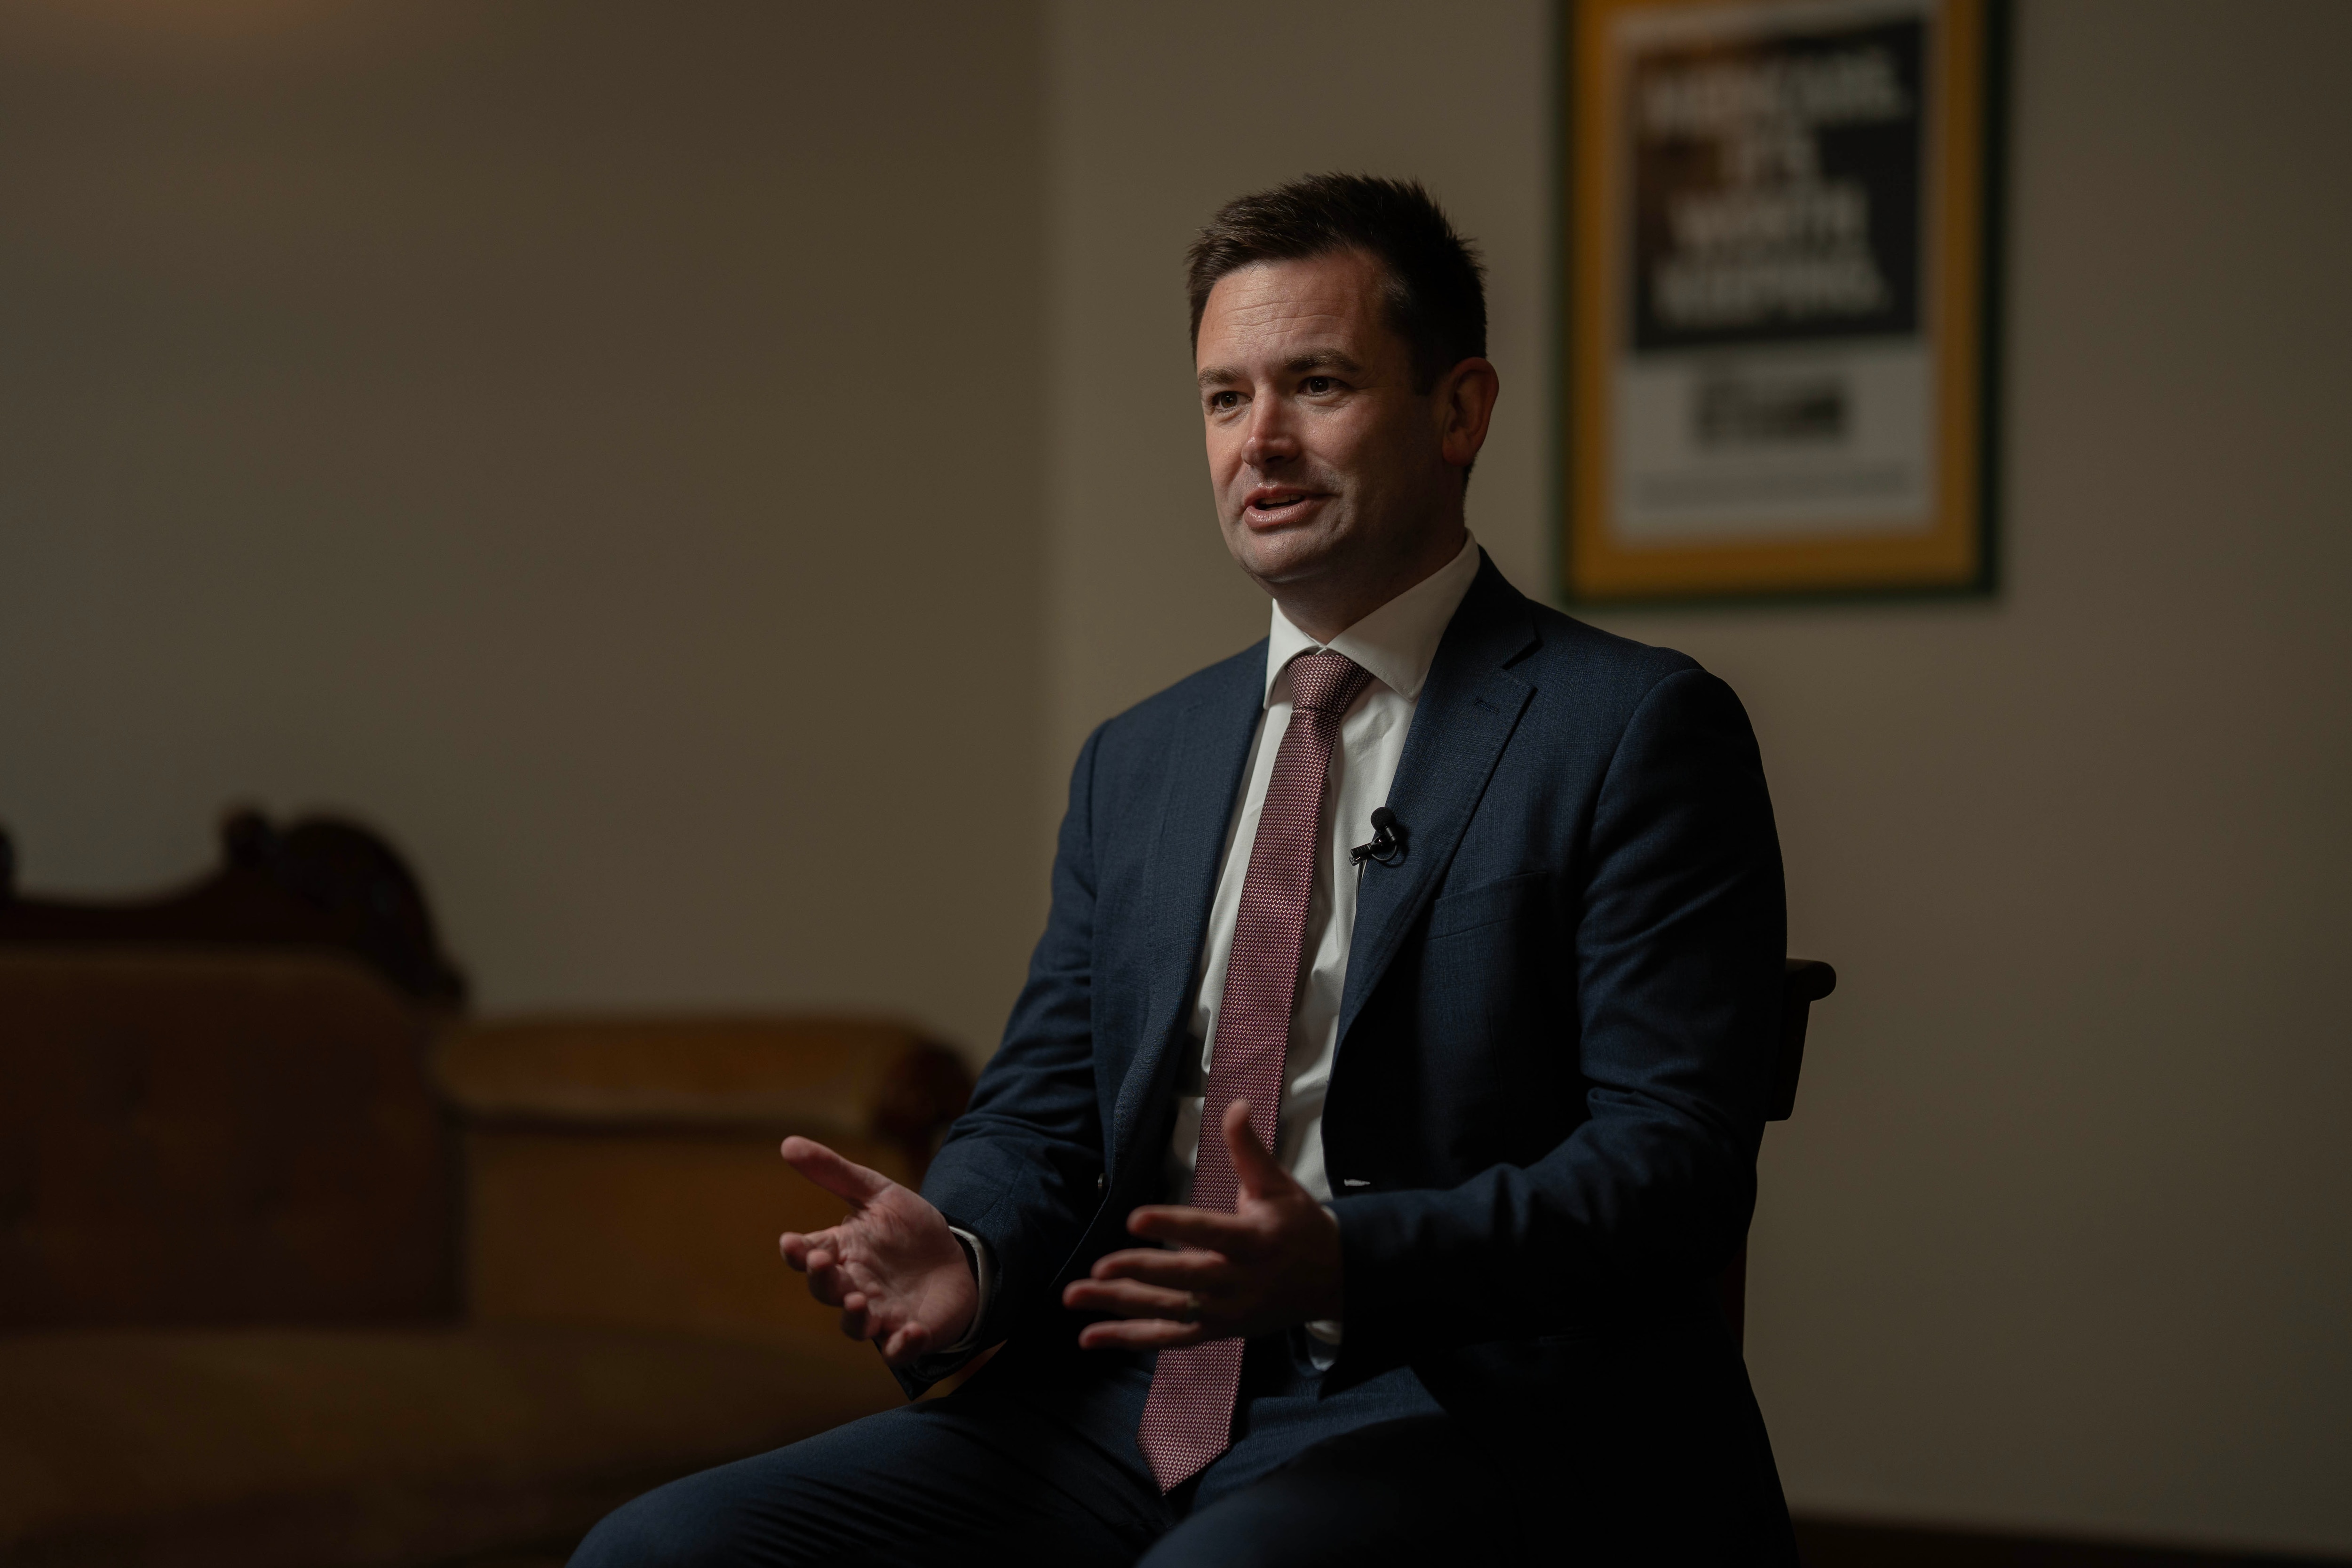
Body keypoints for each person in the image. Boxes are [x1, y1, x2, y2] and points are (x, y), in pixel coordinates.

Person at [572, 173, 1796, 1567]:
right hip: (1120, 1397)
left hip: (1465, 1403)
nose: (1259, 443)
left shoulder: (1633, 727)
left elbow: (1672, 1170)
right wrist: (962, 1258)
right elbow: (1042, 1118)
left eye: (1317, 384)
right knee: (659, 1553)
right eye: (1225, 399)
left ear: (1460, 410)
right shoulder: (1138, 761)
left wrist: (1343, 1259)